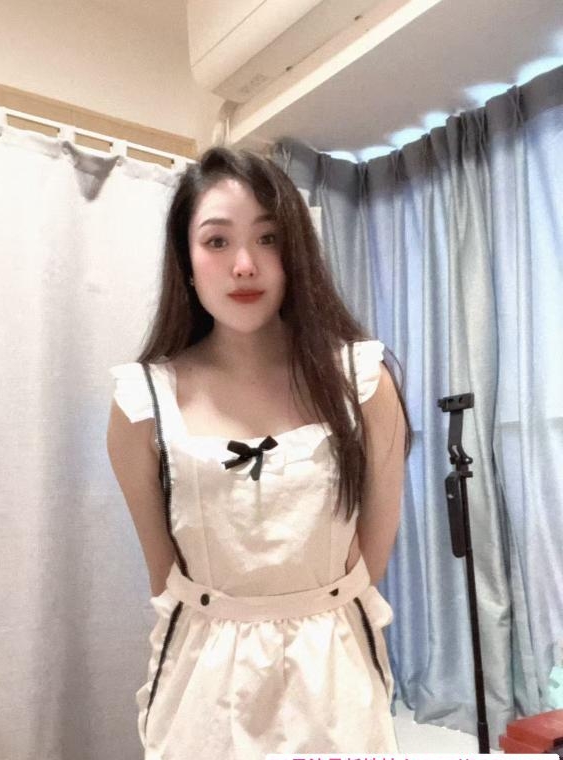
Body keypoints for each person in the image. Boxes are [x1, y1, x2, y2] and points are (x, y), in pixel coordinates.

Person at [106, 146, 411, 759]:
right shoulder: (142, 402)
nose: (244, 265)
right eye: (217, 241)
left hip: (333, 671)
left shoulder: (361, 381)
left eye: (268, 238)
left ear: (296, 253)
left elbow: (370, 558)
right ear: (186, 261)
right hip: (203, 678)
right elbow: (164, 573)